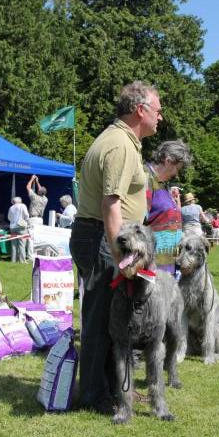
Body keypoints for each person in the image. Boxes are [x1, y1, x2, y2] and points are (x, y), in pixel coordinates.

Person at [70, 80, 163, 414]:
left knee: (111, 319)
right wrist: (122, 256)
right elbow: (112, 206)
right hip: (101, 237)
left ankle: (111, 389)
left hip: (100, 236)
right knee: (99, 321)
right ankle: (95, 396)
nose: (160, 117)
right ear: (140, 110)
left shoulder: (122, 141)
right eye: (157, 110)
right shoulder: (120, 146)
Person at [144, 140, 192, 277]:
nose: (176, 173)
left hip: (168, 263)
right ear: (168, 161)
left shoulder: (162, 184)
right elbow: (136, 224)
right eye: (178, 168)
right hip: (153, 265)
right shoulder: (145, 179)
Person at [7, 197, 29, 263]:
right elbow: (26, 215)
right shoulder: (22, 205)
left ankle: (13, 260)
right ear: (20, 201)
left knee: (14, 245)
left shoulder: (11, 208)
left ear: (13, 202)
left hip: (12, 227)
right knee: (22, 244)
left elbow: (9, 217)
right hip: (21, 226)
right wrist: (25, 220)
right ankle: (22, 261)